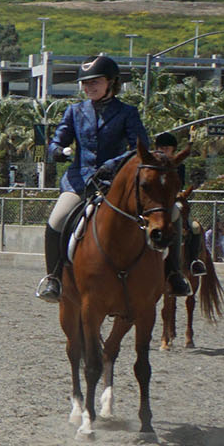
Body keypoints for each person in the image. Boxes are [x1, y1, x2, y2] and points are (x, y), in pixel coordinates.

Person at [35, 55, 150, 302]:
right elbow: (56, 141)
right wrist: (57, 150)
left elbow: (140, 147)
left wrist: (112, 164)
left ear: (111, 82)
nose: (89, 87)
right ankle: (53, 279)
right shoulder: (74, 111)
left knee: (158, 218)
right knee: (55, 222)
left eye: (95, 82)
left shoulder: (127, 112)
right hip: (80, 181)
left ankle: (171, 274)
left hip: (115, 182)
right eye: (85, 83)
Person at [150, 131, 196, 294]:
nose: (163, 150)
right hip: (150, 203)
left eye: (167, 148)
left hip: (170, 202)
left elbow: (177, 187)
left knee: (192, 225)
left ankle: (182, 268)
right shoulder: (149, 164)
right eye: (160, 147)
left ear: (173, 150)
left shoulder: (178, 166)